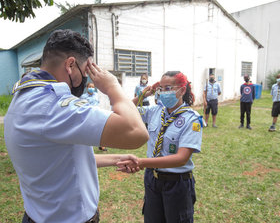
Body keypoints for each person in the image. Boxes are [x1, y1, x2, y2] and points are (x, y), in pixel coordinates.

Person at [4, 29, 148, 223]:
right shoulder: (53, 105)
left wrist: (117, 158)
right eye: (85, 72)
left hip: (39, 215)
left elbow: (61, 158)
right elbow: (136, 133)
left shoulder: (25, 95)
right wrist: (113, 86)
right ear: (70, 65)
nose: (86, 80)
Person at [120, 71, 203, 223]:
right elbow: (123, 110)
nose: (163, 93)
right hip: (153, 179)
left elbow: (181, 159)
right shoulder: (155, 111)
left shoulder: (192, 119)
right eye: (161, 88)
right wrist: (143, 95)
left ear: (182, 90)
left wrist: (141, 162)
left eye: (168, 88)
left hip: (177, 183)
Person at [81, 82, 107, 151]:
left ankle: (102, 146)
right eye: (90, 87)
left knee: (100, 130)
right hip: (88, 115)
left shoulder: (96, 95)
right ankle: (87, 147)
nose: (91, 88)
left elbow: (97, 103)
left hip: (97, 114)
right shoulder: (83, 97)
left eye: (93, 87)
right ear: (87, 88)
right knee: (88, 131)